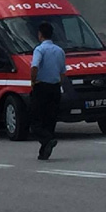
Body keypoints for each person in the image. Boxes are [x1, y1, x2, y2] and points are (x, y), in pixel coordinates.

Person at [30, 22, 66, 160]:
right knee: (50, 119)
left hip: (41, 87)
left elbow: (34, 66)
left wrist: (33, 81)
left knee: (36, 121)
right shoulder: (59, 51)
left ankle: (47, 139)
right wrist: (58, 84)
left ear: (40, 34)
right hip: (55, 88)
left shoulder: (39, 50)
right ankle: (44, 151)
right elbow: (63, 72)